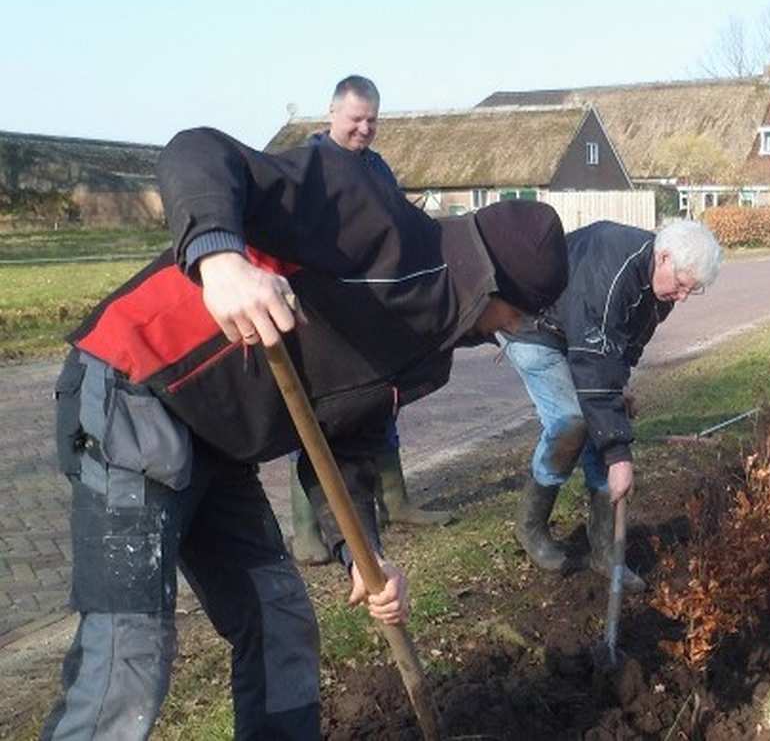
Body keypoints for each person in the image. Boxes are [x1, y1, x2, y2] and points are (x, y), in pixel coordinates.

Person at [40, 126, 568, 740]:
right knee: (130, 656)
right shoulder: (366, 213)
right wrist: (220, 258)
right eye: (522, 316)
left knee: (281, 621)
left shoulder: (428, 352)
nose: (515, 332)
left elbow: (348, 446)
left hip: (216, 442)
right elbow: (198, 152)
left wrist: (363, 557)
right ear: (497, 289)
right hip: (133, 385)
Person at [503, 219, 723, 592]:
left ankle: (605, 552)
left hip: (576, 337)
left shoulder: (660, 288)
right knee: (573, 422)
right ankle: (530, 527)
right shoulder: (611, 272)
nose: (683, 296)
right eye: (684, 284)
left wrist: (615, 390)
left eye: (693, 290)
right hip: (532, 328)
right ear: (664, 256)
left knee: (603, 417)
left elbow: (621, 348)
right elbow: (591, 360)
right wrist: (618, 455)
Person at [288, 75, 452, 569]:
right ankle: (304, 531)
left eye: (372, 121)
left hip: (373, 304)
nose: (364, 129)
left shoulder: (377, 167)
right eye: (356, 119)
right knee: (322, 419)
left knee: (380, 403)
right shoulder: (308, 164)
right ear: (332, 114)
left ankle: (395, 501)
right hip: (321, 308)